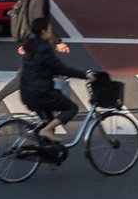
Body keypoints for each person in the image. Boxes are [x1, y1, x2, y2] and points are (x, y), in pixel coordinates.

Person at [0, 0, 56, 120]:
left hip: (33, 40)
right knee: (25, 76)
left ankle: (46, 110)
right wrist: (55, 41)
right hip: (35, 41)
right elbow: (38, 22)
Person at [19, 17, 93, 147]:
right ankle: (46, 131)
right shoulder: (44, 49)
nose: (51, 32)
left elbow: (42, 67)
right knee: (72, 108)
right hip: (40, 93)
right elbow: (62, 69)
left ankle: (51, 158)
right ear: (43, 32)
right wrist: (85, 75)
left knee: (49, 121)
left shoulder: (30, 44)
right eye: (49, 30)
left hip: (26, 92)